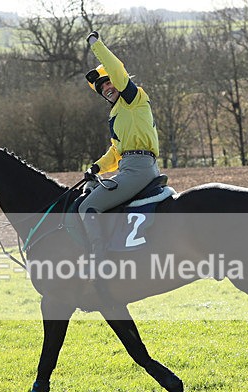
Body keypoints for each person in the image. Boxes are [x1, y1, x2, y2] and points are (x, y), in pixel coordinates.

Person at [82, 30, 160, 261]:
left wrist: (96, 45)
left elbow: (116, 69)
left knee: (86, 208)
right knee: (91, 191)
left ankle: (99, 258)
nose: (106, 88)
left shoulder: (132, 98)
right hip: (129, 167)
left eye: (108, 82)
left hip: (138, 170)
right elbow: (116, 151)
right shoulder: (116, 114)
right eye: (102, 88)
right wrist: (96, 167)